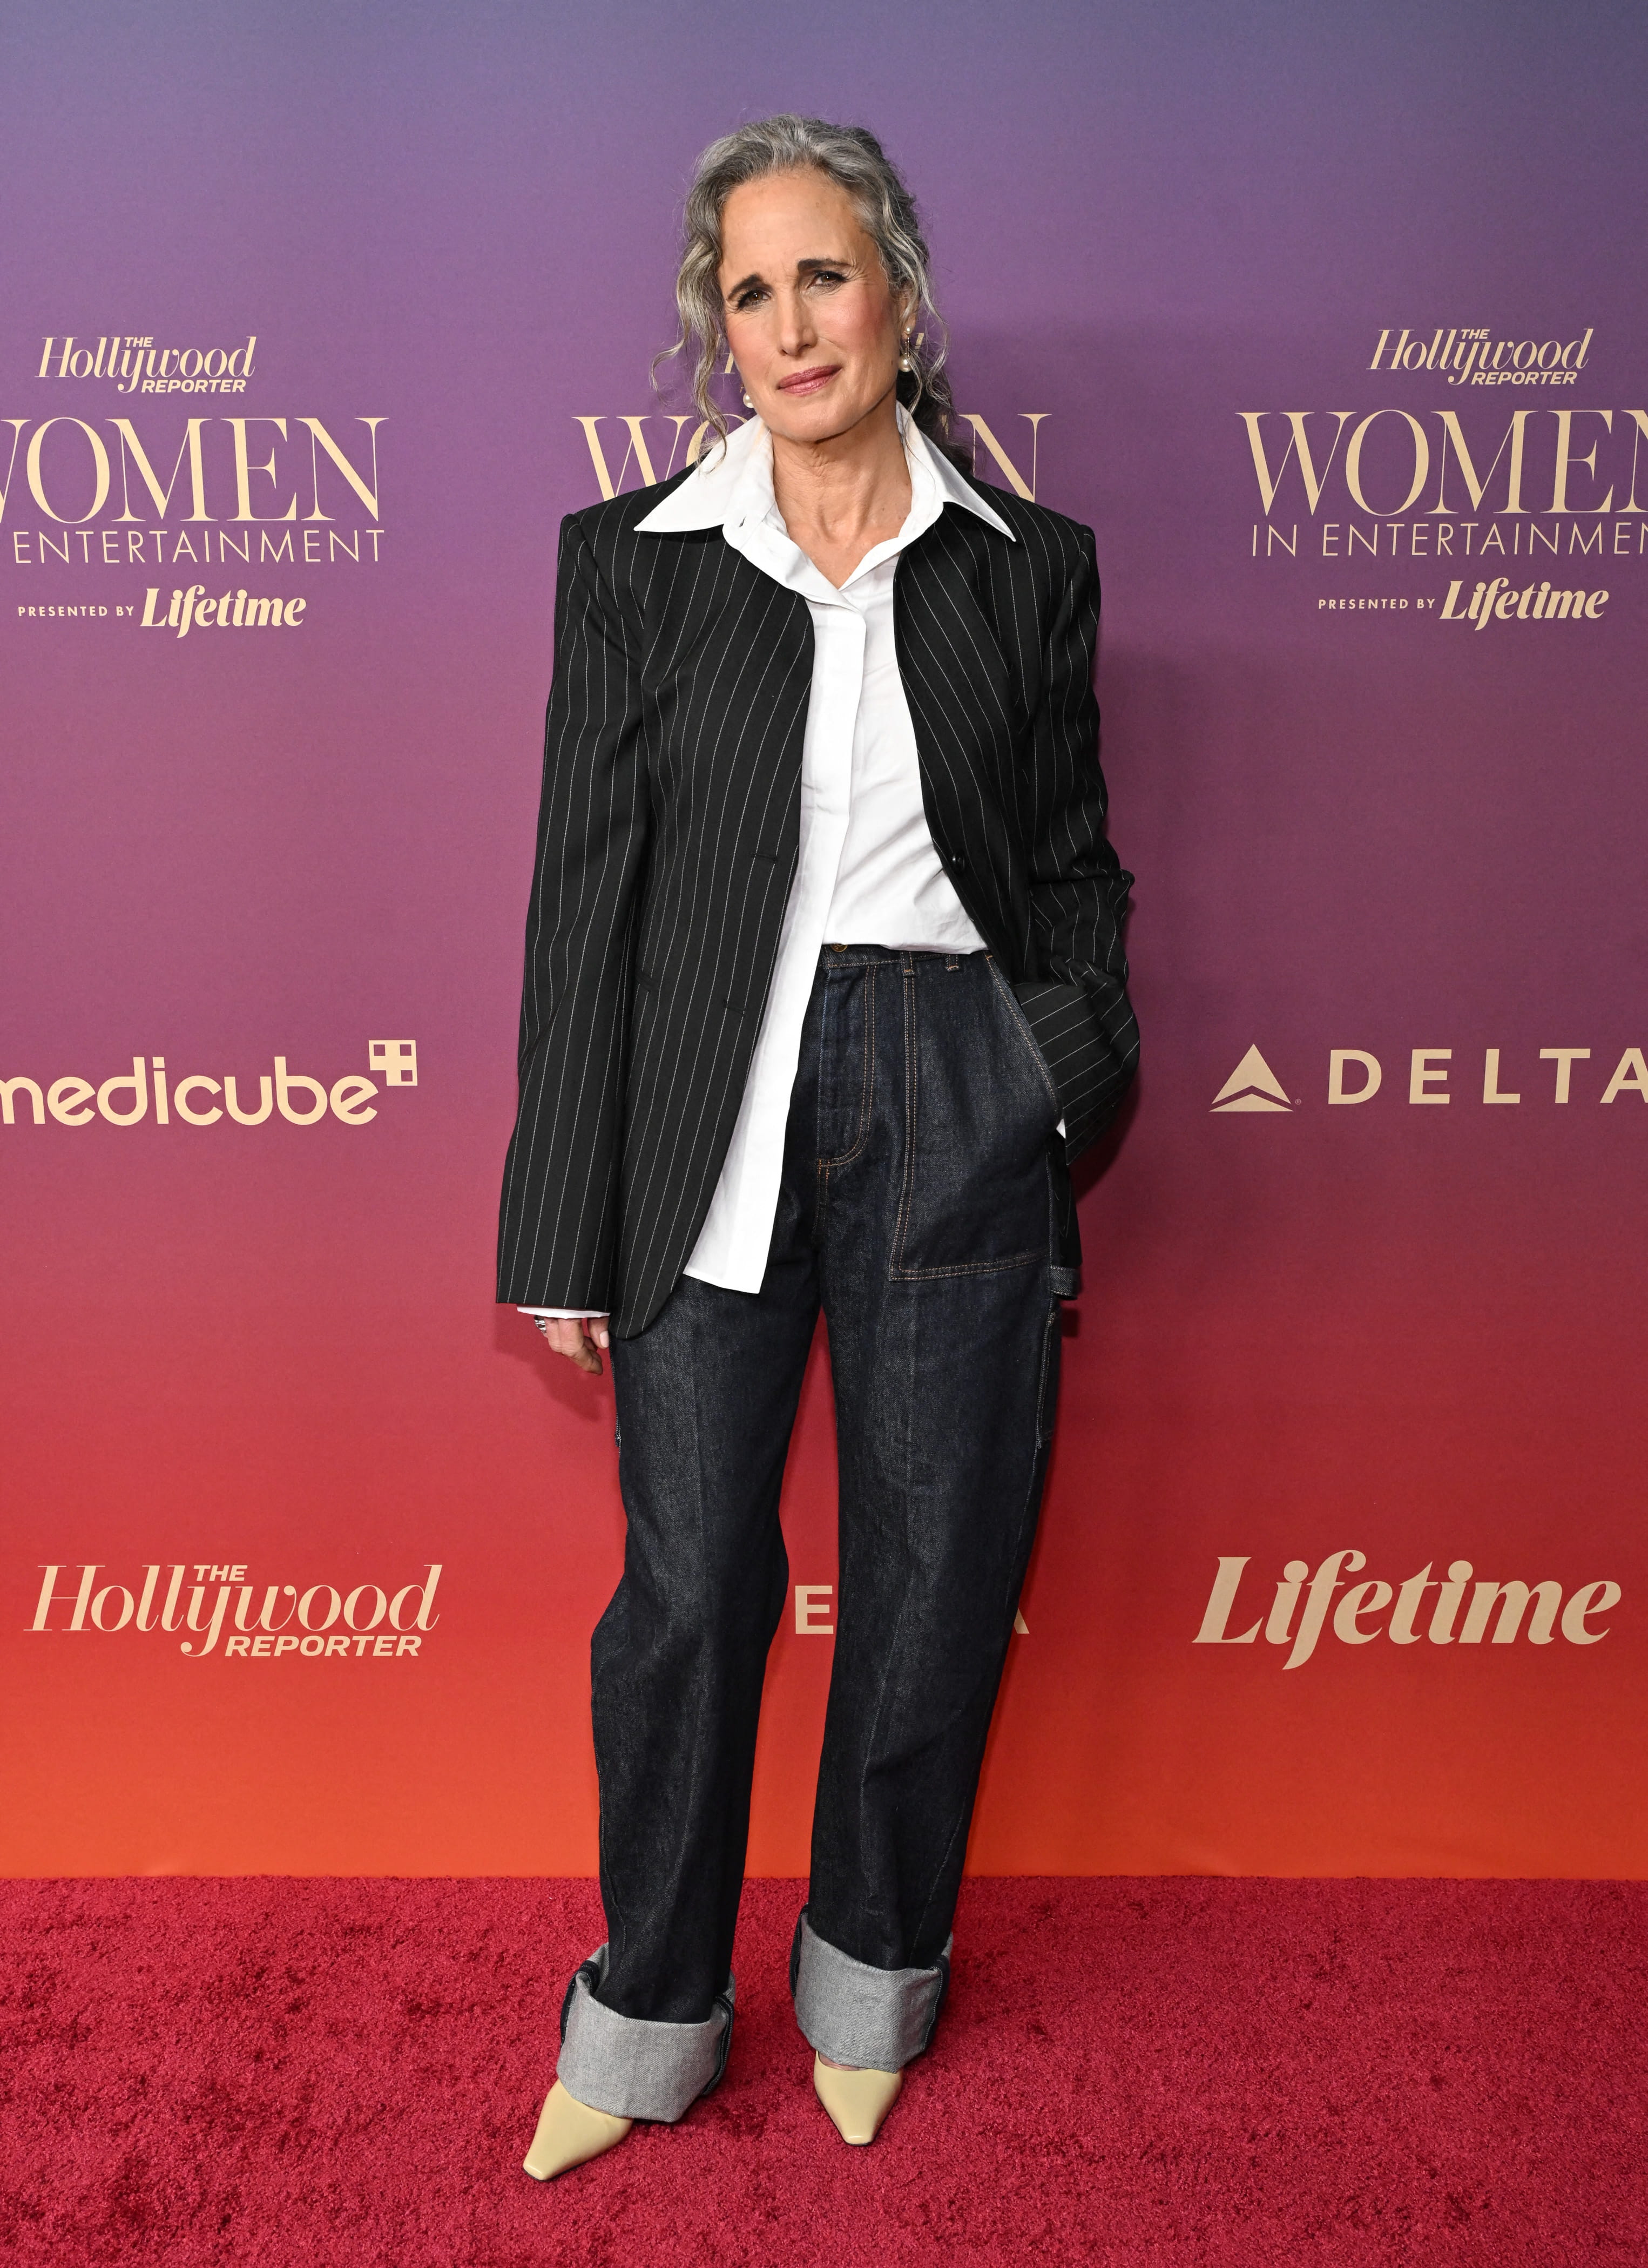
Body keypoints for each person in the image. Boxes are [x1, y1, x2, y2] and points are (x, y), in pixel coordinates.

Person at [497, 114, 1137, 2178]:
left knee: (936, 1571)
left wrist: (1057, 1066)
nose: (788, 325)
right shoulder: (637, 561)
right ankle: (649, 2015)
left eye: (824, 276)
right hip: (711, 1100)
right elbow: (583, 900)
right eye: (749, 290)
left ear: (901, 297)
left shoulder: (1025, 566)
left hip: (957, 1080)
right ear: (722, 326)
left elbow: (1068, 860)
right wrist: (558, 1221)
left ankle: (871, 1977)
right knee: (688, 1590)